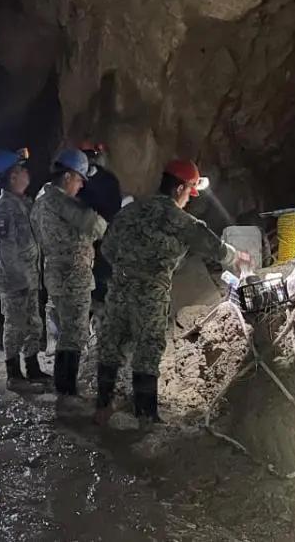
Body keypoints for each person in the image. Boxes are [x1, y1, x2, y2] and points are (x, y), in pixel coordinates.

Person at [95, 159, 252, 424]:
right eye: (189, 192)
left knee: (112, 344)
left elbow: (107, 248)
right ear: (179, 189)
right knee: (148, 348)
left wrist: (127, 267)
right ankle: (145, 415)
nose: (188, 200)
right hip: (150, 292)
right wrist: (236, 257)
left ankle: (102, 407)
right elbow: (211, 245)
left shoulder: (131, 210)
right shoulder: (180, 220)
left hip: (119, 286)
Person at [31, 148, 107, 397]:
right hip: (73, 275)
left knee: (66, 331)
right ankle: (66, 391)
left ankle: (62, 386)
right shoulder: (63, 202)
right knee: (74, 334)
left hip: (54, 273)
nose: (81, 185)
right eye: (79, 179)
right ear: (67, 176)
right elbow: (97, 227)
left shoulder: (40, 202)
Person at [0, 148, 51, 391]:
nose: (27, 174)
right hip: (15, 280)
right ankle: (13, 375)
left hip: (30, 277)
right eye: (22, 170)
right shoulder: (4, 209)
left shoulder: (23, 203)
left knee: (33, 324)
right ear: (12, 176)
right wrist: (19, 281)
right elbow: (7, 250)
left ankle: (32, 368)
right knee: (15, 326)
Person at [76, 140, 123, 336]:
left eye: (91, 155)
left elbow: (114, 207)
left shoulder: (107, 180)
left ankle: (101, 324)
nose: (89, 160)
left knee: (102, 278)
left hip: (104, 236)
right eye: (85, 156)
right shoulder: (75, 181)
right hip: (83, 238)